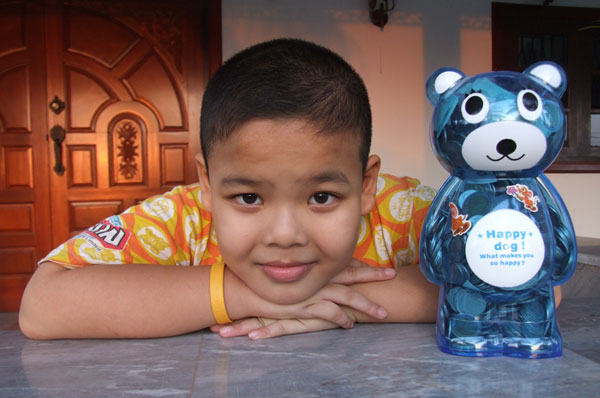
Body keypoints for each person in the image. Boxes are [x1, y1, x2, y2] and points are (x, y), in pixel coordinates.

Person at [18, 38, 439, 340]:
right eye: (249, 198)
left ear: (366, 185)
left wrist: (342, 302)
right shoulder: (183, 218)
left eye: (321, 197)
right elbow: (43, 304)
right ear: (206, 183)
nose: (285, 235)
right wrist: (239, 295)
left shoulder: (403, 210)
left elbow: (483, 281)